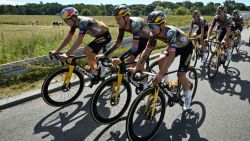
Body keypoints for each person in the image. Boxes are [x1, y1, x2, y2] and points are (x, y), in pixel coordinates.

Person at [133, 11, 194, 111]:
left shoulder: (170, 32)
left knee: (181, 75)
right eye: (149, 26)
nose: (151, 29)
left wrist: (160, 74)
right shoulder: (153, 33)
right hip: (174, 45)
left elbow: (171, 56)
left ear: (162, 25)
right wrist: (137, 67)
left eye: (153, 26)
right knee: (161, 59)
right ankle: (168, 85)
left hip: (186, 48)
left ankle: (188, 96)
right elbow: (146, 51)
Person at [97, 5, 154, 89]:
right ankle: (133, 73)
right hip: (141, 39)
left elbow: (134, 48)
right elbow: (118, 43)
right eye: (116, 19)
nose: (117, 22)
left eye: (119, 19)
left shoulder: (135, 24)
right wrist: (105, 55)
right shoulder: (122, 26)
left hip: (150, 41)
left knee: (141, 63)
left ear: (126, 17)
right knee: (129, 61)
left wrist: (120, 58)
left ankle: (145, 87)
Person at [49, 7, 111, 81]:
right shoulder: (74, 24)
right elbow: (68, 38)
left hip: (105, 36)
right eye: (64, 20)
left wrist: (67, 54)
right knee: (89, 57)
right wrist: (57, 51)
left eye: (66, 20)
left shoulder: (83, 22)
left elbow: (79, 41)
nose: (66, 22)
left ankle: (104, 67)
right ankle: (95, 74)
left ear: (73, 18)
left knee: (86, 50)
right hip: (98, 36)